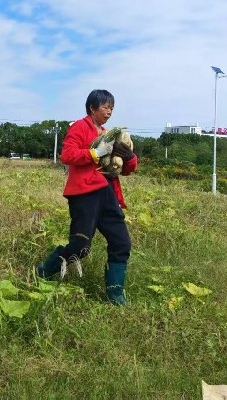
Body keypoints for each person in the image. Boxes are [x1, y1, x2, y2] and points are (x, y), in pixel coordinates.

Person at [36, 89, 137, 305]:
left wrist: (130, 157)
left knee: (121, 242)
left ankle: (115, 295)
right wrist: (94, 153)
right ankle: (44, 270)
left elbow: (124, 169)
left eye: (112, 108)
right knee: (81, 246)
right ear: (92, 107)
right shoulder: (80, 127)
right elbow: (67, 155)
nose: (109, 112)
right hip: (84, 194)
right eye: (105, 107)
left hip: (107, 193)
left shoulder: (110, 134)